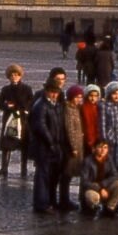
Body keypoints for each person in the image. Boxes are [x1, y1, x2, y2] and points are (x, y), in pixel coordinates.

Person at [29, 78, 69, 212]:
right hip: (44, 146)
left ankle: (51, 201)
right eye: (52, 92)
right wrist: (50, 141)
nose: (54, 95)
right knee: (43, 176)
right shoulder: (41, 105)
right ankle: (41, 204)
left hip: (55, 146)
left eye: (56, 92)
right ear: (46, 91)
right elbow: (40, 126)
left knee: (53, 176)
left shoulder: (56, 105)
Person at [0, 64, 35, 177]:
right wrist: (7, 106)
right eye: (12, 75)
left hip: (22, 120)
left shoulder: (27, 89)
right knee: (7, 145)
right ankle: (4, 167)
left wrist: (26, 109)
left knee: (24, 144)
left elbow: (32, 102)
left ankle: (24, 168)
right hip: (9, 120)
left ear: (20, 76)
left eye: (16, 75)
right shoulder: (6, 89)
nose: (14, 77)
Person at [79, 138, 118, 216]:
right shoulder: (87, 161)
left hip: (105, 187)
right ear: (94, 148)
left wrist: (103, 185)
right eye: (100, 147)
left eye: (105, 147)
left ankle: (110, 207)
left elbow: (115, 175)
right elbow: (84, 181)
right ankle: (92, 207)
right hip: (92, 189)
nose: (103, 150)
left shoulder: (109, 159)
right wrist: (100, 188)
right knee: (93, 197)